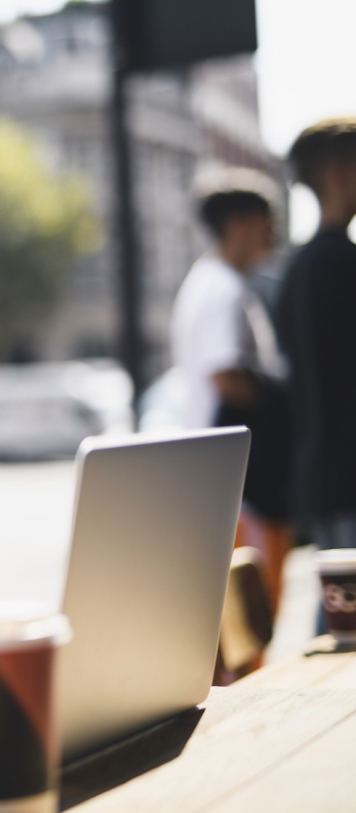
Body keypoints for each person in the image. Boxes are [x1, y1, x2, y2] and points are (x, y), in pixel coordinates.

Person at [170, 170, 292, 646]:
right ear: (240, 223)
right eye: (268, 219)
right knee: (251, 620)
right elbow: (227, 375)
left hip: (225, 477)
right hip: (241, 482)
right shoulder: (222, 289)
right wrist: (283, 403)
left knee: (238, 620)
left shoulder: (211, 282)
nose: (275, 230)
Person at [276, 117, 356, 615]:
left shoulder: (298, 268)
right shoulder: (339, 265)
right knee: (346, 635)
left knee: (338, 627)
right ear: (339, 172)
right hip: (348, 477)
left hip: (324, 474)